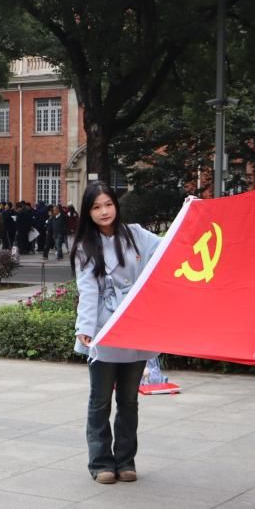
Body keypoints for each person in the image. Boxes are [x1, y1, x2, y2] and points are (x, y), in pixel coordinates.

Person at [72, 182, 161, 484]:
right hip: (104, 329)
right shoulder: (86, 246)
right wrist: (85, 327)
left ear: (116, 205)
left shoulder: (136, 235)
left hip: (135, 325)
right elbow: (87, 289)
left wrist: (190, 215)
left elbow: (169, 248)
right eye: (96, 207)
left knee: (129, 400)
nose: (104, 212)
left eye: (108, 204)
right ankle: (100, 463)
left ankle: (125, 461)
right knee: (100, 400)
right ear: (88, 213)